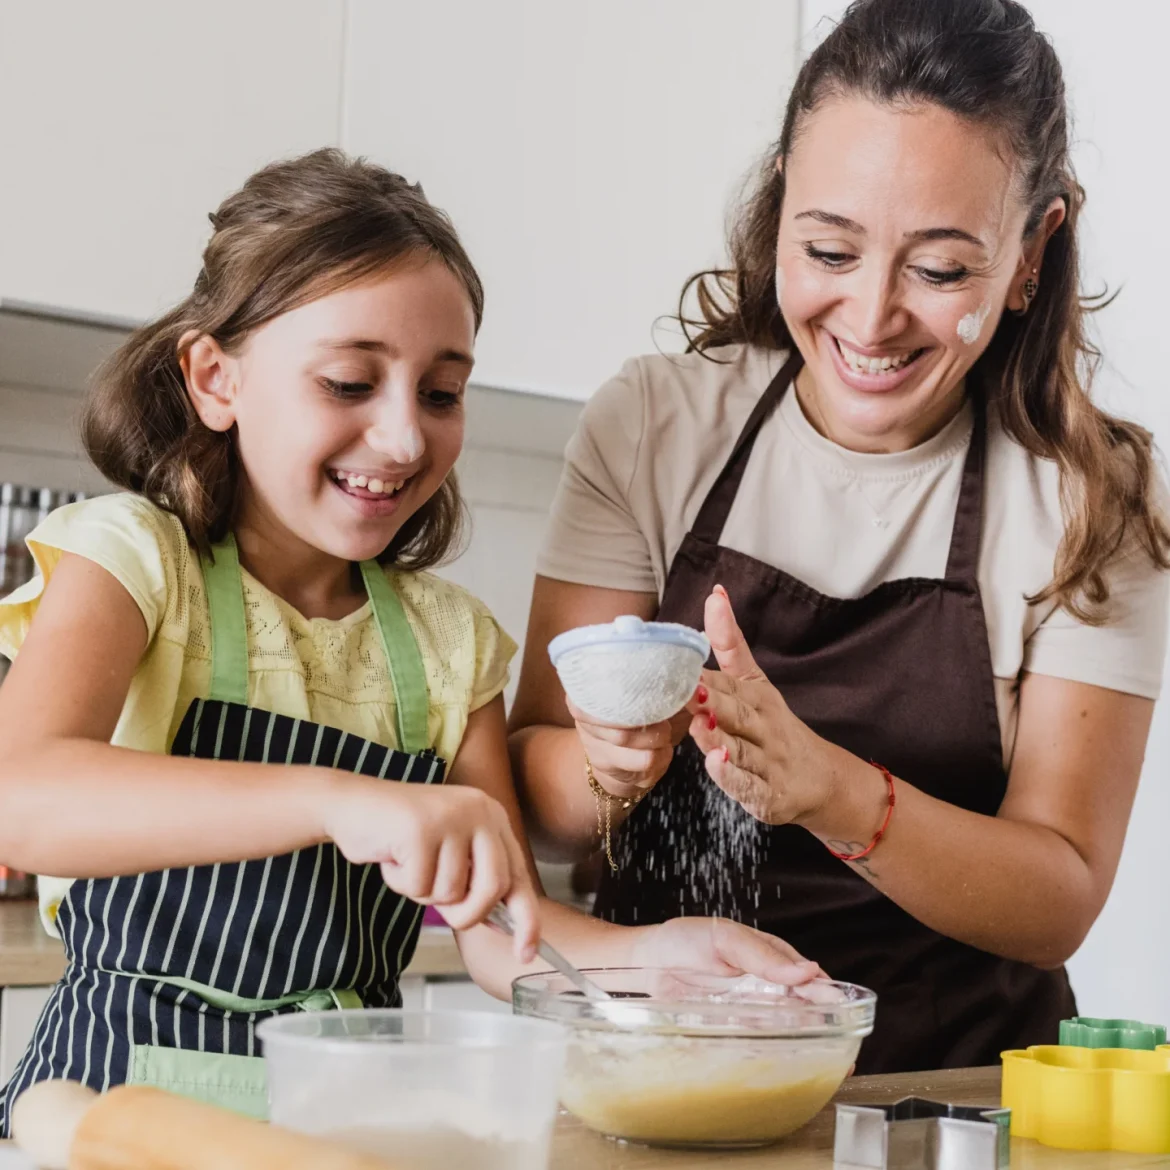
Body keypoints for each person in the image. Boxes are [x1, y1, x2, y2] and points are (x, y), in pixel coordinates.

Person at [0, 149, 819, 1132]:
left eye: (440, 393)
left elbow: (502, 932)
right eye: (349, 382)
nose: (402, 439)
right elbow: (22, 798)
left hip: (336, 1123)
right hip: (107, 1110)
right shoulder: (135, 562)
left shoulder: (446, 644)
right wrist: (344, 803)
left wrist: (668, 954)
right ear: (216, 378)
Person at [509, 0, 1170, 1073]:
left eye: (941, 269)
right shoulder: (654, 428)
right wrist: (609, 763)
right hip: (655, 1078)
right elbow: (541, 802)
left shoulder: (1089, 499)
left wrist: (828, 787)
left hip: (953, 1092)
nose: (869, 318)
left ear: (1032, 251)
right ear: (780, 211)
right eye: (829, 249)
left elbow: (1059, 894)